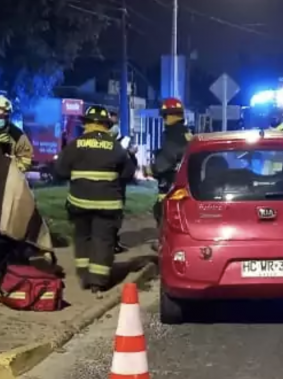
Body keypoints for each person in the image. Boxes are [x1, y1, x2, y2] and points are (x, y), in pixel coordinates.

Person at [55, 105, 136, 292]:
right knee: (103, 240)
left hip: (79, 203)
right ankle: (97, 282)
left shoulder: (75, 145)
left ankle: (84, 276)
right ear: (106, 126)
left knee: (83, 237)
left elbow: (60, 170)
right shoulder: (116, 147)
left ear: (87, 124)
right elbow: (128, 173)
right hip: (108, 205)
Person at [152, 97, 192, 225]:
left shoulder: (173, 134)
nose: (164, 120)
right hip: (184, 181)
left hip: (171, 181)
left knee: (163, 211)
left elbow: (167, 158)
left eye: (165, 116)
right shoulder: (186, 133)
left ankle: (165, 242)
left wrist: (151, 169)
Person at [108, 110, 137, 253]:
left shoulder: (124, 141)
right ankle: (110, 242)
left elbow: (131, 161)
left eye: (114, 121)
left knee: (116, 213)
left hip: (119, 182)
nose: (112, 124)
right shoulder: (103, 141)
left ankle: (113, 240)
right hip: (108, 183)